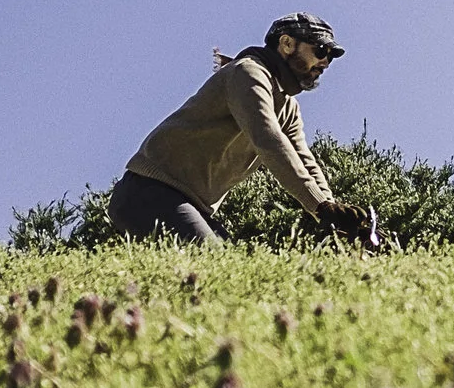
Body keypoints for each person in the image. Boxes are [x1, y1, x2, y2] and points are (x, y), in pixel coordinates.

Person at [110, 13, 371, 247]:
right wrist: (320, 207)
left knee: (231, 274)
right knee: (215, 270)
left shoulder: (288, 106)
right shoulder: (248, 73)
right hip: (149, 192)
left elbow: (304, 159)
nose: (325, 61)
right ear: (287, 44)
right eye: (320, 49)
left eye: (331, 56)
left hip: (192, 205)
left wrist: (331, 211)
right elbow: (268, 140)